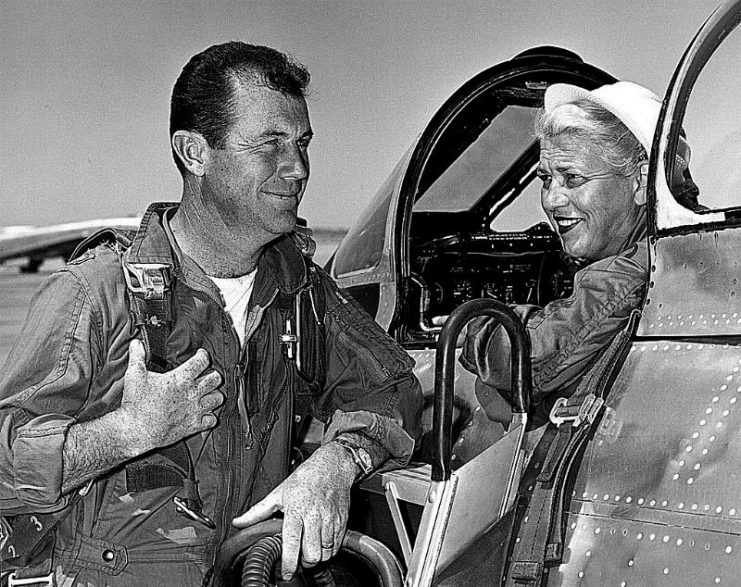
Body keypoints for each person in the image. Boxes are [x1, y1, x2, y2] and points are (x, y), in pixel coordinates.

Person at [0, 42, 422, 586]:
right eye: (270, 144)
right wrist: (128, 432)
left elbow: (393, 388)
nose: (297, 169)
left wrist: (338, 463)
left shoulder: (301, 292)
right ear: (194, 153)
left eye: (302, 143)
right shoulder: (95, 295)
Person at [461, 81, 697, 424]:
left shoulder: (635, 269)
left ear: (641, 183)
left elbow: (529, 360)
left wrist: (478, 324)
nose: (551, 200)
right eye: (546, 179)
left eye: (572, 178)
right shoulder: (678, 245)